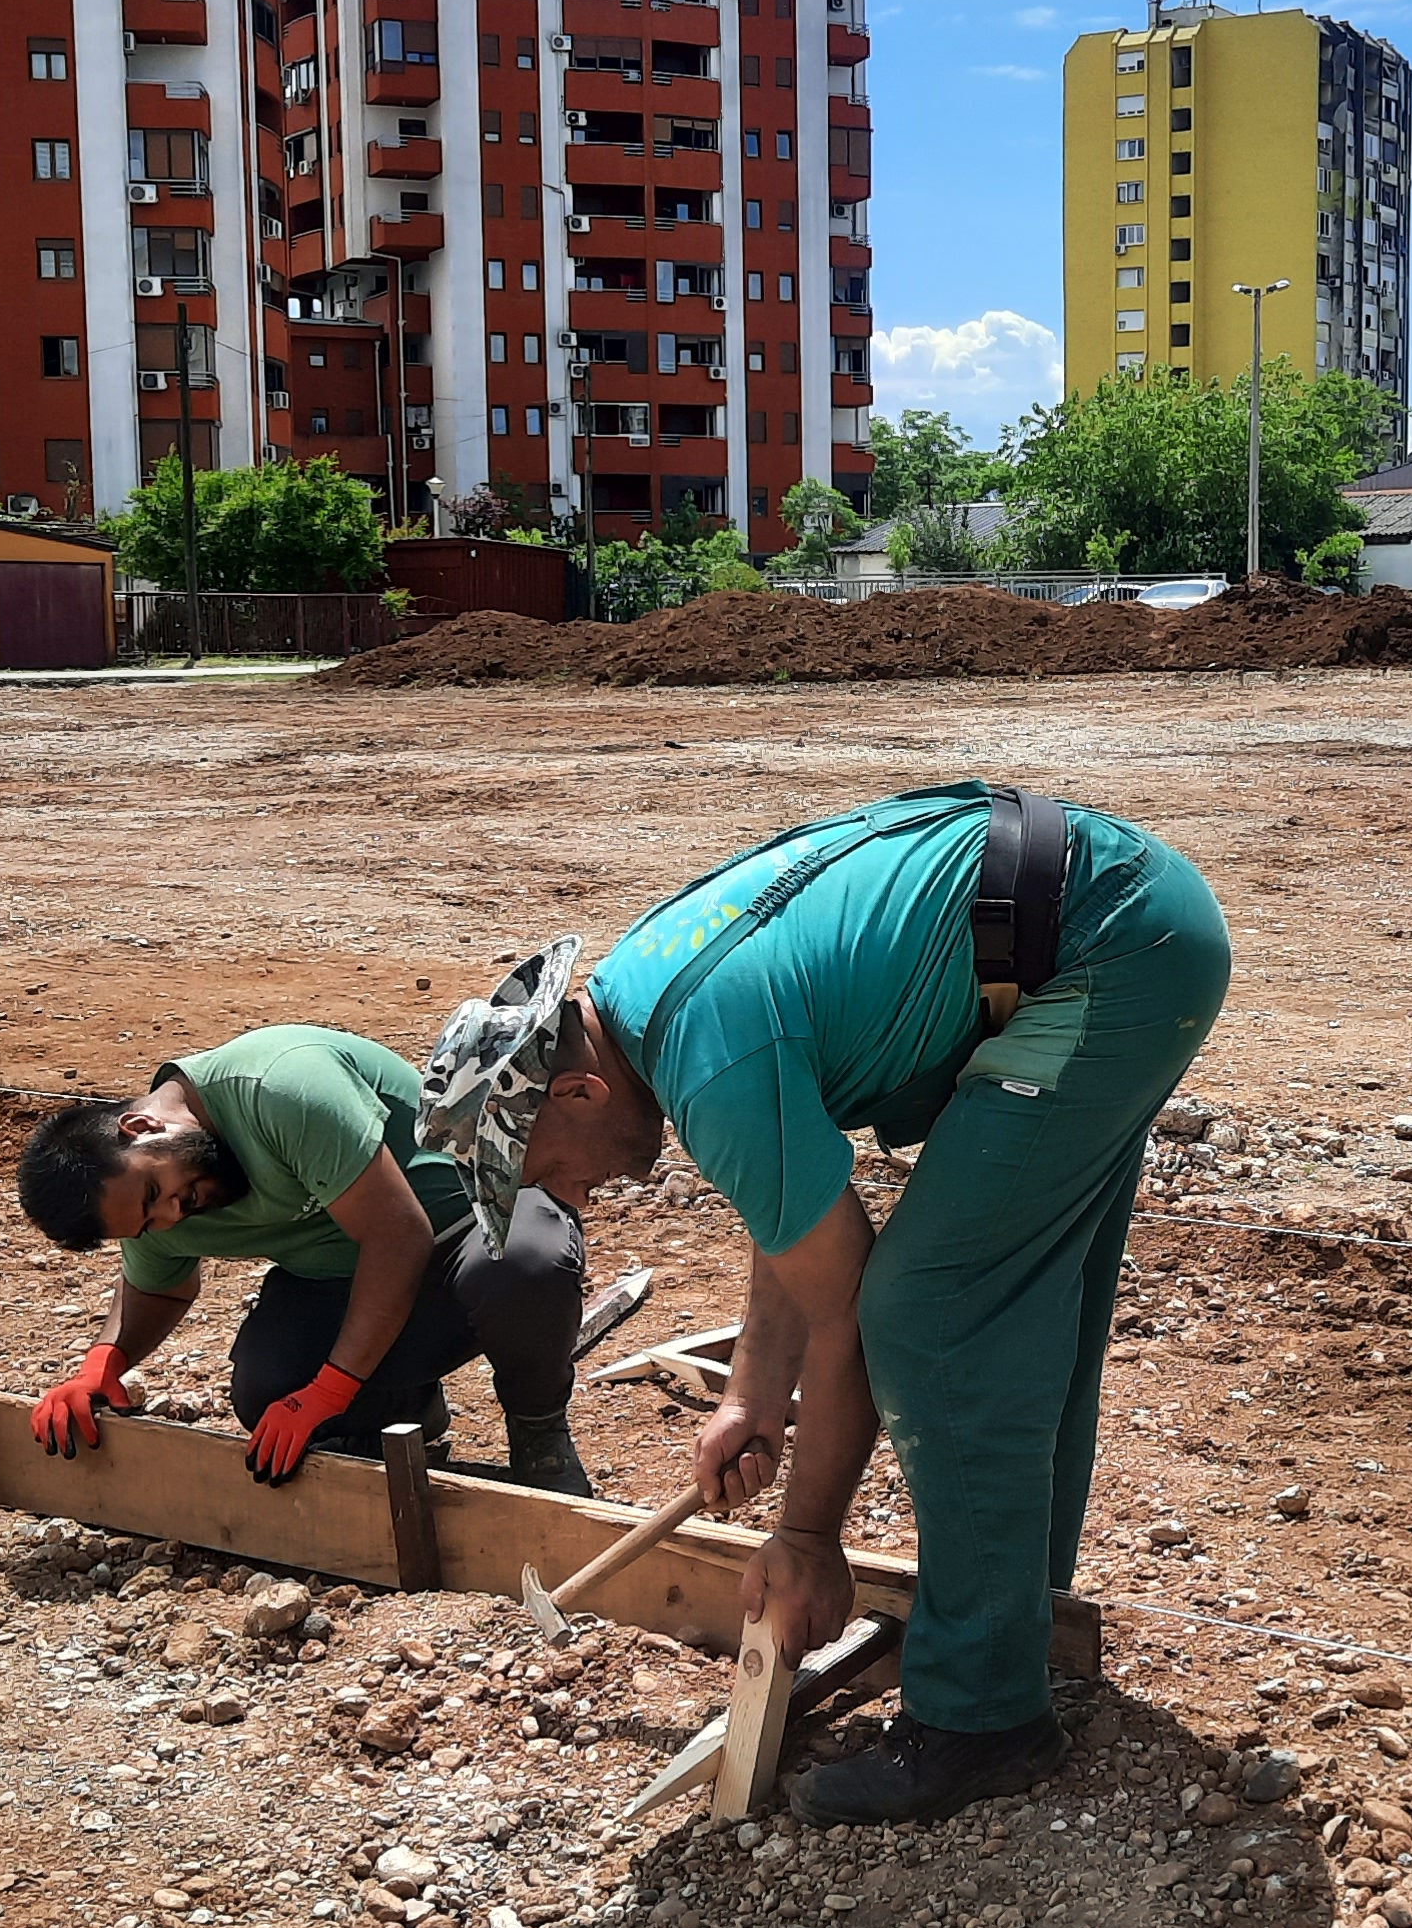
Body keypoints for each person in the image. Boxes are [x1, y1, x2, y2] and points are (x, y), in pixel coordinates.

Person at [489, 782, 1233, 1825]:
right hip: (1119, 915)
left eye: (541, 1169)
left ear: (575, 1093)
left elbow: (844, 1304)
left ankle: (984, 1720)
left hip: (1113, 954)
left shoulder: (707, 1060)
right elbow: (791, 1205)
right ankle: (1022, 1613)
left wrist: (806, 1536)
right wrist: (751, 1395)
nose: (565, 1194)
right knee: (1007, 1292)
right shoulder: (649, 998)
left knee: (928, 1310)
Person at [12, 993, 612, 1493]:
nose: (171, 1217)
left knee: (525, 1267)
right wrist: (104, 1362)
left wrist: (330, 1390)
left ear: (143, 1128)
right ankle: (404, 1411)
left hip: (467, 1226)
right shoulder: (158, 1191)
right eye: (145, 1226)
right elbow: (158, 1288)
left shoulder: (281, 1087)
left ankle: (540, 1435)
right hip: (351, 1277)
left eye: (155, 1195)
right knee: (269, 1388)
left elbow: (399, 1237)